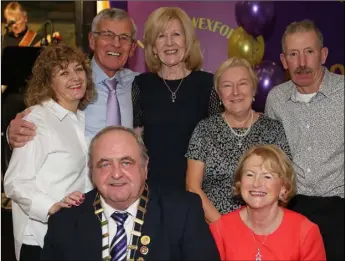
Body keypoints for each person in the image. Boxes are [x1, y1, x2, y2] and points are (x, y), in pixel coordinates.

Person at [40, 126, 220, 261]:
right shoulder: (64, 221)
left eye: (126, 162)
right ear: (91, 171)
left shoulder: (183, 211)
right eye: (104, 164)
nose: (116, 174)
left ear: (145, 167)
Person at [4, 44, 96, 261]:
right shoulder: (37, 120)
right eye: (64, 72)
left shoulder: (82, 120)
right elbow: (15, 182)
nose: (75, 77)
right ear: (49, 83)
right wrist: (52, 206)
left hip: (71, 235)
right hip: (39, 239)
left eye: (78, 69)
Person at [265, 19, 344, 260]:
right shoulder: (276, 99)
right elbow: (272, 158)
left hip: (338, 209)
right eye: (293, 54)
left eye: (309, 52)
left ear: (323, 54)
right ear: (283, 60)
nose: (301, 63)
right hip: (291, 209)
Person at [7, 8, 139, 148]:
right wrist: (13, 132)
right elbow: (36, 118)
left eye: (124, 37)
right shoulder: (70, 82)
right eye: (107, 35)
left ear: (132, 48)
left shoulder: (140, 85)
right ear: (92, 40)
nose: (116, 44)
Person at [185, 57, 291, 223]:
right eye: (227, 85)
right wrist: (226, 229)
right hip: (213, 229)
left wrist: (260, 226)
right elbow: (193, 187)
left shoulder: (273, 130)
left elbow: (284, 184)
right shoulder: (204, 130)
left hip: (263, 228)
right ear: (219, 94)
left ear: (254, 89)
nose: (235, 92)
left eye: (242, 83)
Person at [132, 7, 221, 190]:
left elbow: (217, 143)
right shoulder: (141, 85)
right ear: (153, 48)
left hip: (197, 190)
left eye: (176, 34)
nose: (169, 42)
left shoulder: (208, 84)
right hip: (152, 190)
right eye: (161, 36)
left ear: (187, 42)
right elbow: (137, 141)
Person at [209, 144, 326, 261]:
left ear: (283, 187)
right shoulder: (220, 229)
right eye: (250, 174)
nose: (256, 183)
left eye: (267, 176)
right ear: (240, 183)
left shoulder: (305, 232)